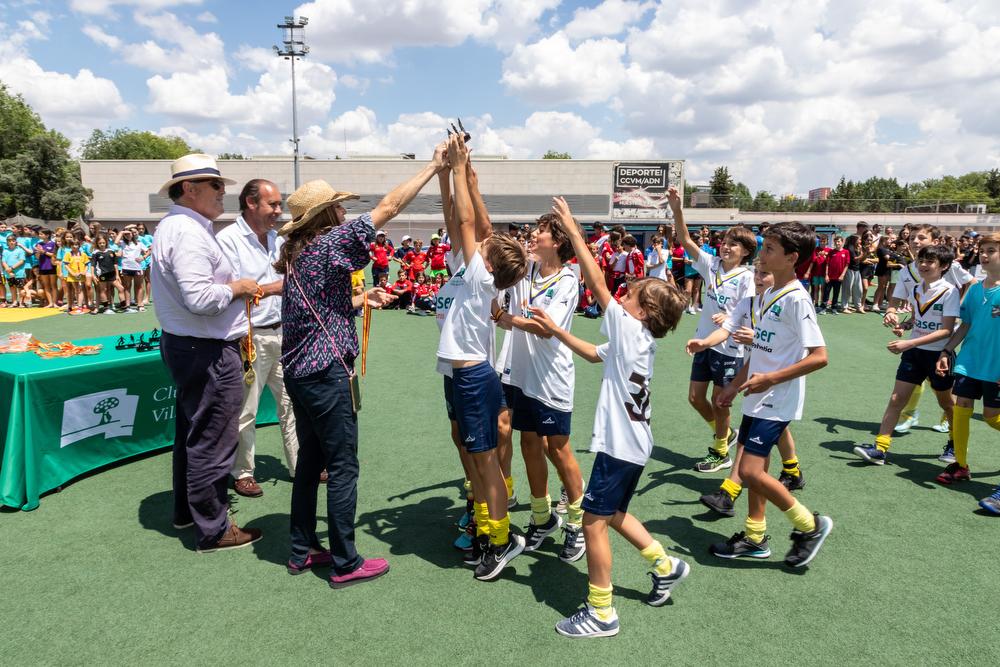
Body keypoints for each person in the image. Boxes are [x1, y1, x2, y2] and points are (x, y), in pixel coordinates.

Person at [274, 145, 445, 587]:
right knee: (344, 466)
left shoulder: (299, 254)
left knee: (311, 462)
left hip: (300, 372)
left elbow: (317, 308)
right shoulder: (331, 243)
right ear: (326, 214)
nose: (344, 214)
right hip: (326, 372)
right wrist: (432, 166)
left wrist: (361, 299)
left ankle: (301, 549)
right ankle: (345, 561)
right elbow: (388, 207)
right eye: (338, 208)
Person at [529, 196, 690, 639]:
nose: (621, 297)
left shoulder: (629, 327)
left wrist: (574, 231)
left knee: (593, 521)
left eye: (630, 295)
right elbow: (594, 355)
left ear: (642, 313)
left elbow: (598, 282)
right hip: (634, 444)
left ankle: (602, 611)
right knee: (615, 512)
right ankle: (666, 563)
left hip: (621, 445)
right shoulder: (635, 340)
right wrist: (559, 330)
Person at [151, 154, 263, 553]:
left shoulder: (182, 227)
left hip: (192, 344)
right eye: (215, 186)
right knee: (213, 440)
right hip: (207, 348)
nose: (223, 193)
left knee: (195, 434)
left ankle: (190, 512)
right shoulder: (188, 232)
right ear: (189, 189)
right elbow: (200, 298)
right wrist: (240, 288)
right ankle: (214, 529)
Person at [710, 221, 832, 567]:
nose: (761, 257)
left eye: (769, 250)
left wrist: (771, 379)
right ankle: (754, 537)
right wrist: (734, 386)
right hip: (757, 396)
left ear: (792, 258)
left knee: (749, 471)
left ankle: (810, 525)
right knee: (755, 469)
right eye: (763, 249)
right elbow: (761, 351)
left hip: (777, 399)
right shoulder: (765, 294)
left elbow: (820, 356)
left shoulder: (796, 299)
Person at [438, 133, 528, 581]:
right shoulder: (475, 273)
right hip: (462, 376)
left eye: (484, 247)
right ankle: (486, 527)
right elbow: (457, 220)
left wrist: (459, 168)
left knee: (486, 463)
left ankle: (501, 538)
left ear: (489, 263)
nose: (479, 243)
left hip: (474, 378)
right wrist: (447, 173)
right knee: (476, 461)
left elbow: (468, 219)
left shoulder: (479, 277)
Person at [495, 213, 586, 562]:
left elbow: (547, 328)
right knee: (528, 442)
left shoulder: (567, 281)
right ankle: (542, 516)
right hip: (520, 374)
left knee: (557, 448)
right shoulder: (526, 272)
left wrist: (510, 320)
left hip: (551, 378)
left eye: (540, 234)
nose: (532, 238)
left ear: (558, 241)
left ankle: (577, 523)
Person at [687, 265, 806, 517]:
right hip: (756, 376)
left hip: (777, 383)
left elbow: (813, 354)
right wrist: (705, 343)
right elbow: (726, 330)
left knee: (752, 450)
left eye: (766, 272)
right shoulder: (750, 304)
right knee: (763, 436)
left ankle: (729, 493)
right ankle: (792, 473)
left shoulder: (790, 301)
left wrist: (758, 339)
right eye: (758, 273)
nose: (759, 278)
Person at [216, 179, 301, 498]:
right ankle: (242, 472)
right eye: (273, 205)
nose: (279, 211)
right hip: (249, 337)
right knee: (246, 410)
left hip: (284, 332)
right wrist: (277, 286)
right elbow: (234, 290)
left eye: (280, 205)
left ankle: (300, 464)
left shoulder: (278, 239)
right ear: (251, 204)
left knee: (291, 404)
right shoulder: (228, 240)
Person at [670, 189, 756, 474]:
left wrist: (730, 319)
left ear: (745, 251)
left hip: (729, 349)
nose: (726, 247)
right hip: (704, 343)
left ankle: (721, 452)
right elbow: (684, 239)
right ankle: (725, 434)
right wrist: (677, 209)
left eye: (734, 244)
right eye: (725, 242)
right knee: (695, 398)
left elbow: (749, 314)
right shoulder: (712, 265)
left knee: (721, 402)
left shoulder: (747, 278)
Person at [853, 245, 959, 468]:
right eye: (921, 260)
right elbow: (918, 319)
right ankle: (880, 449)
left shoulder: (949, 291)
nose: (923, 265)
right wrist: (904, 326)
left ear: (944, 266)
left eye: (930, 261)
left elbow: (946, 330)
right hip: (913, 354)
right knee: (896, 399)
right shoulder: (917, 288)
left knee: (947, 403)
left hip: (939, 356)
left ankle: (955, 444)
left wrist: (909, 342)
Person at [885, 224, 975, 440]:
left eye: (921, 237)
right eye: (912, 237)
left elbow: (971, 282)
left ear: (935, 242)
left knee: (941, 390)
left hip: (946, 338)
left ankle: (951, 425)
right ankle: (908, 416)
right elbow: (901, 300)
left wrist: (959, 306)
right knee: (907, 385)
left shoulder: (948, 266)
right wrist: (893, 314)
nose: (915, 241)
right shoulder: (907, 270)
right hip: (919, 338)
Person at [935, 232, 1000, 508]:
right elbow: (966, 324)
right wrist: (946, 350)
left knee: (991, 417)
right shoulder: (975, 289)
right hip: (971, 361)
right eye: (982, 250)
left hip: (996, 365)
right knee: (961, 407)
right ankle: (960, 464)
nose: (984, 255)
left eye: (991, 250)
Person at [90, 234, 120, 314]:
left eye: (103, 242)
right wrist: (93, 275)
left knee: (109, 289)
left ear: (106, 242)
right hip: (100, 275)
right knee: (100, 290)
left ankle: (110, 305)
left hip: (111, 275)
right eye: (100, 243)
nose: (102, 244)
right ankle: (103, 308)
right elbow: (92, 265)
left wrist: (117, 275)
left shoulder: (110, 251)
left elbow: (115, 263)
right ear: (97, 243)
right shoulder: (95, 253)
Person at [822, 235, 849, 313]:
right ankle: (824, 308)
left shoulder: (846, 252)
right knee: (826, 293)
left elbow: (847, 265)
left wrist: (842, 275)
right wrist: (826, 275)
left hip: (838, 278)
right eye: (835, 242)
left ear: (842, 242)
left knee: (836, 293)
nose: (837, 243)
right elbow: (827, 264)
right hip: (829, 277)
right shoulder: (831, 252)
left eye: (839, 241)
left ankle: (834, 308)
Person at [33, 229, 58, 308]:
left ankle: (55, 303)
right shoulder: (39, 244)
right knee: (46, 286)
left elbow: (54, 255)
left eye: (41, 234)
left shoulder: (53, 244)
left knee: (53, 285)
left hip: (52, 266)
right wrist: (38, 251)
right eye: (39, 234)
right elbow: (37, 257)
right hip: (43, 267)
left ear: (47, 235)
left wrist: (44, 251)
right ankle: (50, 303)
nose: (39, 235)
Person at [2, 234, 28, 307]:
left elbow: (21, 261)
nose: (11, 242)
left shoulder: (20, 250)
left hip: (19, 273)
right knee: (12, 288)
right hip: (8, 274)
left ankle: (21, 303)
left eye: (13, 241)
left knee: (20, 288)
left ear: (16, 241)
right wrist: (8, 270)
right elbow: (3, 261)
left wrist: (12, 268)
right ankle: (14, 302)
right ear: (7, 242)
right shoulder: (5, 251)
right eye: (9, 241)